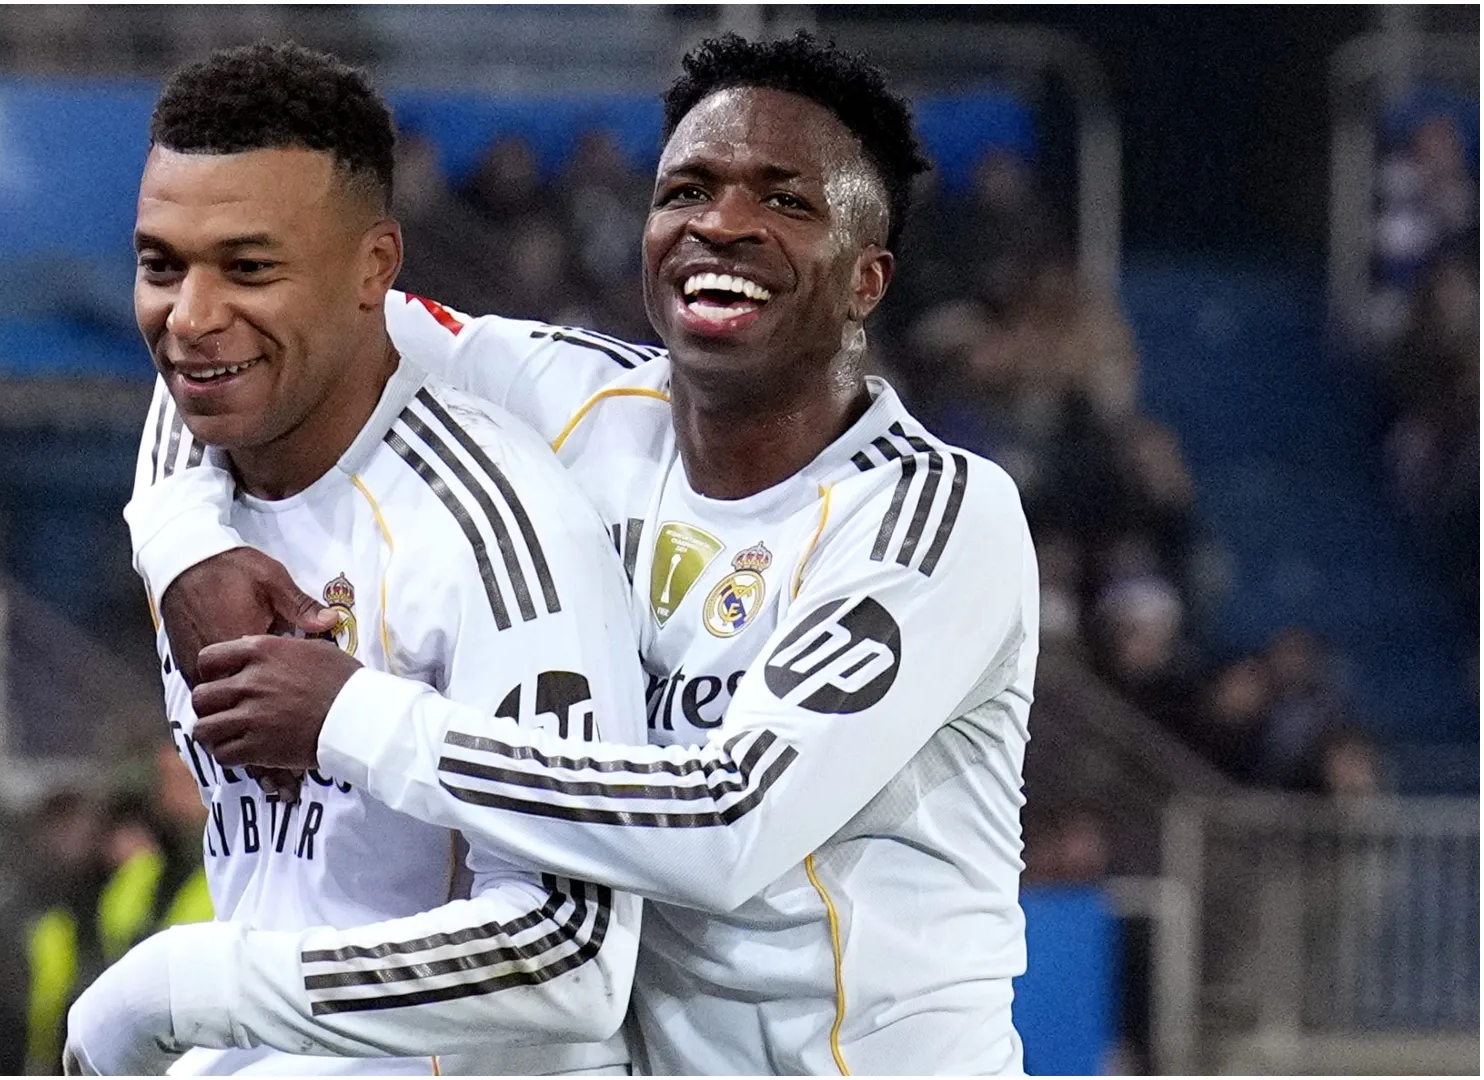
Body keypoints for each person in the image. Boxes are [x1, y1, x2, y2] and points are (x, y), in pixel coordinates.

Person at [135, 33, 1037, 1075]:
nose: (723, 223)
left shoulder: (933, 517)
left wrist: (352, 717)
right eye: (687, 189)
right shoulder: (570, 399)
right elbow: (244, 335)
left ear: (866, 279)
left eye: (785, 202)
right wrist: (184, 545)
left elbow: (724, 823)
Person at [63, 44, 645, 1076]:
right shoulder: (194, 497)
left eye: (250, 267)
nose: (190, 318)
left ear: (375, 268)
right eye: (161, 264)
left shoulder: (494, 527)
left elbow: (570, 952)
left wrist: (192, 994)